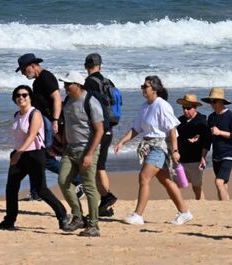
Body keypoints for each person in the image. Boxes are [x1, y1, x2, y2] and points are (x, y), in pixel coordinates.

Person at [114, 75, 193, 225]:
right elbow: (136, 129)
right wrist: (121, 142)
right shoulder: (145, 106)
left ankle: (138, 215)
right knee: (166, 181)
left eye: (146, 86)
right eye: (142, 86)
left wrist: (175, 151)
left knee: (144, 177)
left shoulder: (161, 105)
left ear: (155, 89)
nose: (143, 89)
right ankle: (185, 212)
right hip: (149, 147)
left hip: (160, 147)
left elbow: (172, 129)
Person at [0, 85, 71, 231]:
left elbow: (32, 135)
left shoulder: (35, 114)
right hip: (20, 155)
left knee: (41, 190)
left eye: (24, 95)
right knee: (11, 188)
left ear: (30, 97)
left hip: (34, 155)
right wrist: (16, 153)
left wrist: (18, 153)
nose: (21, 97)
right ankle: (9, 220)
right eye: (18, 95)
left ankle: (62, 215)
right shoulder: (17, 115)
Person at [16, 53, 75, 200]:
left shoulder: (46, 77)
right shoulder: (37, 82)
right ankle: (35, 192)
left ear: (33, 65)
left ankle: (77, 180)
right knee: (34, 156)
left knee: (44, 157)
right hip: (42, 124)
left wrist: (55, 120)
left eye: (24, 69)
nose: (23, 73)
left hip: (50, 123)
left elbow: (57, 98)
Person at [57, 71, 104, 237]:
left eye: (68, 84)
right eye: (64, 84)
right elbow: (69, 125)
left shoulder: (91, 102)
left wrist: (90, 154)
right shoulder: (68, 100)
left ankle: (94, 225)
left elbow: (99, 130)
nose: (65, 87)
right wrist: (63, 142)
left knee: (89, 186)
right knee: (63, 181)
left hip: (87, 149)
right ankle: (78, 216)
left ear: (78, 84)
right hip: (70, 150)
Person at [82, 52, 118, 217]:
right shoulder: (107, 81)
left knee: (95, 167)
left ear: (85, 66)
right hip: (109, 127)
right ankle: (106, 204)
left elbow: (88, 107)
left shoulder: (89, 82)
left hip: (98, 129)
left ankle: (106, 197)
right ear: (100, 66)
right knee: (100, 166)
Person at [201, 87, 232, 201]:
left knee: (218, 182)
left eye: (214, 101)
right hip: (216, 156)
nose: (212, 104)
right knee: (223, 184)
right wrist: (203, 157)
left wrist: (220, 132)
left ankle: (224, 207)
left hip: (229, 154)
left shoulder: (231, 116)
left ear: (221, 101)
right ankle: (226, 206)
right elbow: (208, 139)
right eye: (211, 101)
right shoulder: (211, 117)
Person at [176, 93, 211, 201]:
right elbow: (174, 137)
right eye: (184, 108)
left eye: (188, 108)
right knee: (176, 184)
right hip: (181, 160)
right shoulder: (180, 121)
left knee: (197, 187)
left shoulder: (202, 121)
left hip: (195, 160)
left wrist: (203, 157)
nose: (185, 111)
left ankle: (201, 205)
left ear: (195, 108)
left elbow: (207, 141)